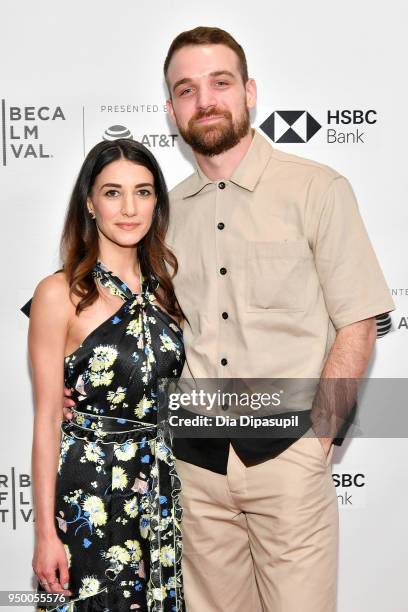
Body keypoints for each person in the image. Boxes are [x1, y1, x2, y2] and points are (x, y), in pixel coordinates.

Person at [64, 26, 395, 612]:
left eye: (220, 83)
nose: (206, 100)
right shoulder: (161, 217)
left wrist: (318, 438)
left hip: (288, 458)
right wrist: (84, 394)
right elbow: (126, 323)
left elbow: (359, 321)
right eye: (186, 90)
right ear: (170, 109)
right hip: (193, 469)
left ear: (249, 91)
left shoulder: (317, 189)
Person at [29, 138, 185, 611]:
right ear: (90, 204)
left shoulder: (168, 292)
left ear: (157, 202)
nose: (129, 208)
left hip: (161, 492)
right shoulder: (59, 293)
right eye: (113, 192)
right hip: (88, 497)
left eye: (143, 191)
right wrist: (45, 536)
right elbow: (46, 422)